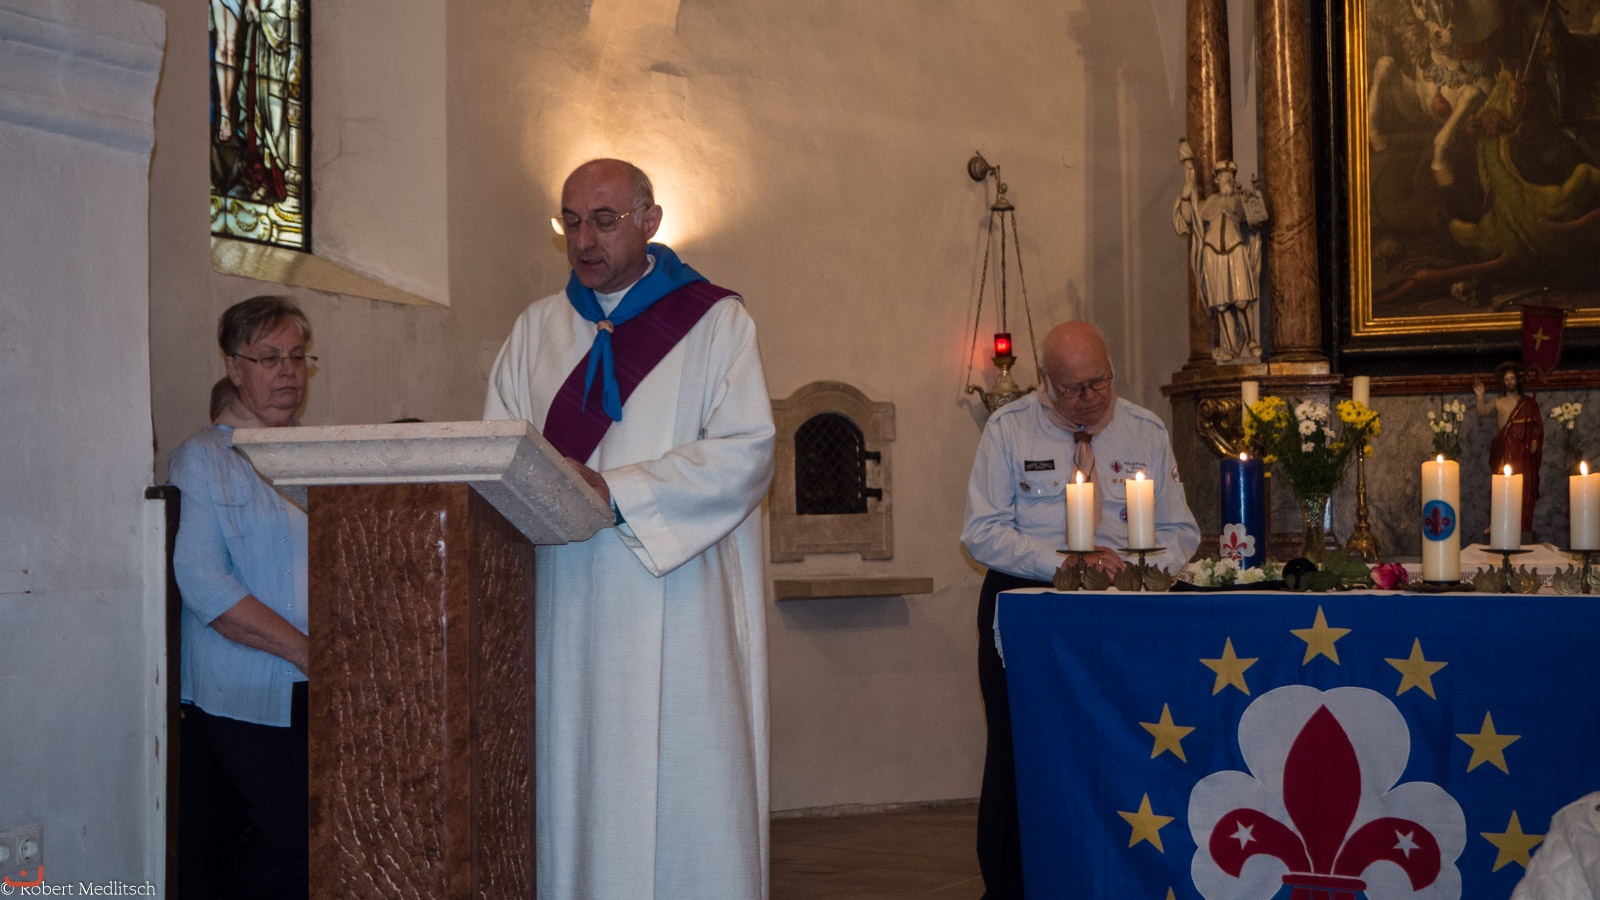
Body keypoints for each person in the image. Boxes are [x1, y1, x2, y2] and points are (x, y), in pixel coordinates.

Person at [483, 158, 775, 898]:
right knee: (577, 774)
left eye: (604, 220)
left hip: (677, 597)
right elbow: (496, 457)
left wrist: (622, 492)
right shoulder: (536, 330)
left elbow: (746, 453)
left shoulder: (715, 324)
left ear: (650, 221)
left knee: (685, 777)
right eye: (572, 221)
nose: (584, 239)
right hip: (564, 600)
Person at [960, 321, 1200, 899]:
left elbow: (1180, 530)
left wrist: (1140, 570)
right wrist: (1064, 563)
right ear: (1045, 381)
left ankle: (1126, 875)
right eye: (1073, 389)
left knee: (1127, 742)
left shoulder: (1144, 430)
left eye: (1100, 383)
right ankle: (1011, 885)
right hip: (1030, 607)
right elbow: (981, 533)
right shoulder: (1008, 430)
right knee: (1020, 749)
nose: (1089, 398)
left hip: (1124, 610)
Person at [171, 295, 314, 899]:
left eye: (298, 357)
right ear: (234, 367)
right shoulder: (203, 458)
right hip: (241, 687)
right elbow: (204, 582)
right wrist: (304, 649)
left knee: (321, 832)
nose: (288, 371)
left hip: (313, 682)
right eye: (269, 357)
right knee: (290, 838)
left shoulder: (322, 453)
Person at [1173, 140, 1266, 363]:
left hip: (1235, 250)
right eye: (1224, 179)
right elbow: (1190, 218)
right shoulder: (1210, 202)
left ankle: (1251, 340)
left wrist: (1255, 194)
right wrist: (1187, 189)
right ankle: (1231, 348)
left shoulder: (1240, 201)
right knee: (1222, 305)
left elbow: (1257, 220)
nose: (1228, 182)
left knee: (1242, 301)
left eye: (1230, 179)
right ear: (1217, 181)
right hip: (1212, 253)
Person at [1475, 361, 1543, 535]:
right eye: (1506, 379)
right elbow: (1481, 412)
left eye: (1512, 378)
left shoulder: (1528, 404)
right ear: (1503, 382)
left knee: (1523, 485)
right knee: (1500, 485)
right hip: (1505, 448)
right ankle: (1497, 523)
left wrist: (1535, 440)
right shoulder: (1498, 402)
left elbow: (1536, 426)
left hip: (1522, 450)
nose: (1510, 382)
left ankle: (1520, 524)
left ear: (1517, 380)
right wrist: (1480, 395)